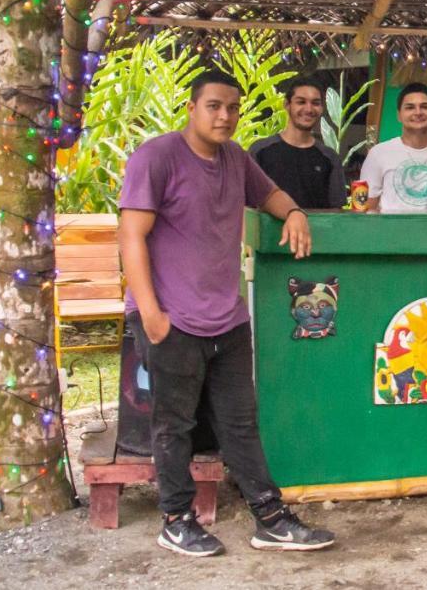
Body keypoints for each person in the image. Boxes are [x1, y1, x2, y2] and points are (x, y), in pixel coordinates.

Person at [119, 68, 336, 557]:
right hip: (171, 317)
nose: (225, 116)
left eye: (233, 108)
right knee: (173, 424)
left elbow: (271, 196)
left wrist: (295, 213)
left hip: (227, 317)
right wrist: (151, 314)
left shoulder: (236, 159)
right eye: (214, 106)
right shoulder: (157, 157)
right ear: (192, 108)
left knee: (240, 421)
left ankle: (270, 518)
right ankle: (176, 519)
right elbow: (130, 237)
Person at [358, 82, 427, 213]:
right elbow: (367, 207)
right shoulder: (378, 153)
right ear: (399, 115)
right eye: (410, 107)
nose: (418, 112)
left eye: (425, 107)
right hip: (392, 232)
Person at [249, 76, 346, 209]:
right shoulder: (260, 151)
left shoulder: (329, 158)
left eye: (315, 103)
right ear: (287, 105)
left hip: (315, 229)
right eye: (301, 102)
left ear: (322, 108)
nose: (309, 109)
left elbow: (336, 211)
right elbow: (246, 204)